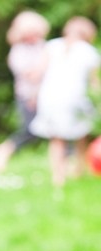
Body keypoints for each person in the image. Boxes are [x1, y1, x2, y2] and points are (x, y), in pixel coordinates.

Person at [29, 16, 101, 188]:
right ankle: (78, 170)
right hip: (75, 98)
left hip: (50, 98)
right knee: (81, 134)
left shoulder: (51, 45)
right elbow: (94, 83)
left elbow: (38, 73)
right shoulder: (89, 51)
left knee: (56, 139)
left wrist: (33, 95)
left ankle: (58, 178)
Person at [0, 10, 50, 173]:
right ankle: (3, 152)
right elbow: (31, 75)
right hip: (27, 97)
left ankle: (67, 165)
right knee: (29, 131)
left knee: (58, 129)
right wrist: (44, 65)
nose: (36, 36)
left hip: (45, 95)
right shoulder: (18, 51)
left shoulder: (42, 46)